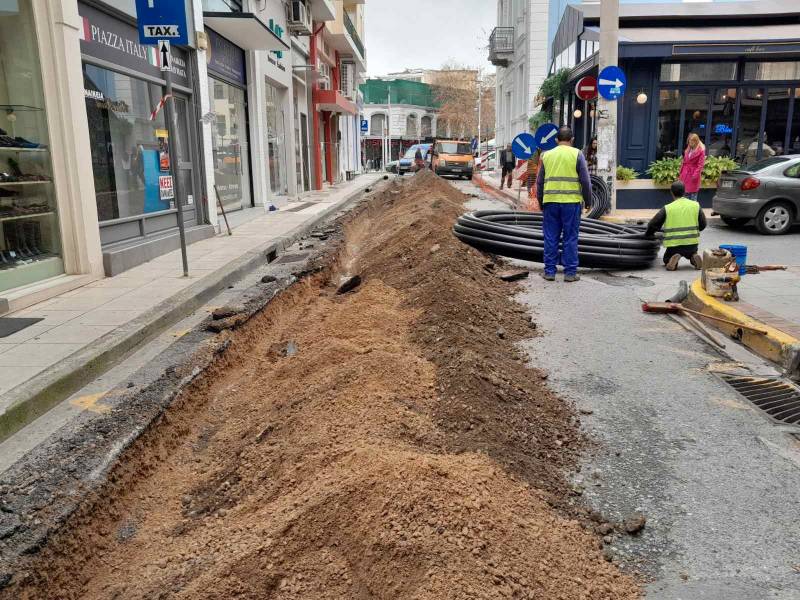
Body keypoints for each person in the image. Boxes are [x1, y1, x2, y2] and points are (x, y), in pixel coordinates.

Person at [535, 127, 593, 282]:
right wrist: (588, 201)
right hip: (571, 204)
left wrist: (541, 201)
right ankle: (570, 273)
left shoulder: (546, 155)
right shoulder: (577, 154)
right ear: (572, 139)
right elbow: (586, 181)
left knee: (550, 237)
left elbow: (539, 183)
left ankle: (549, 272)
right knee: (570, 238)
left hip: (551, 203)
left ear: (556, 140)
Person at [645, 180, 706, 271]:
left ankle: (672, 260)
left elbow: (653, 224)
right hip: (692, 244)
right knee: (691, 252)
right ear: (684, 191)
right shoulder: (695, 205)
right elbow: (703, 224)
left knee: (666, 259)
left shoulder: (668, 208)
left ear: (671, 192)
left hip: (674, 246)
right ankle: (693, 257)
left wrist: (648, 234)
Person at [679, 133, 706, 200]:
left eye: (692, 141)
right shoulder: (688, 149)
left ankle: (693, 210)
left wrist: (695, 175)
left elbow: (700, 165)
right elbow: (684, 161)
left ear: (696, 141)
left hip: (693, 174)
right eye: (689, 140)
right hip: (685, 174)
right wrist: (681, 171)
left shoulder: (701, 151)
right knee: (684, 195)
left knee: (692, 197)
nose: (690, 142)